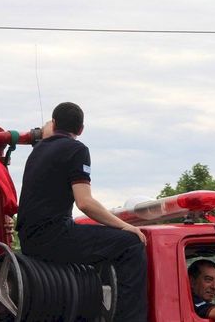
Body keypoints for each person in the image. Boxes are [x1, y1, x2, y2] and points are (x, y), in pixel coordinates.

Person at [16, 102, 148, 322]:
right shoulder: (77, 149)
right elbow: (85, 203)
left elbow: (50, 133)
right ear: (81, 130)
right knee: (130, 243)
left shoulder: (38, 151)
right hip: (54, 237)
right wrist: (125, 226)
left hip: (29, 240)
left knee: (98, 239)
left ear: (54, 124)